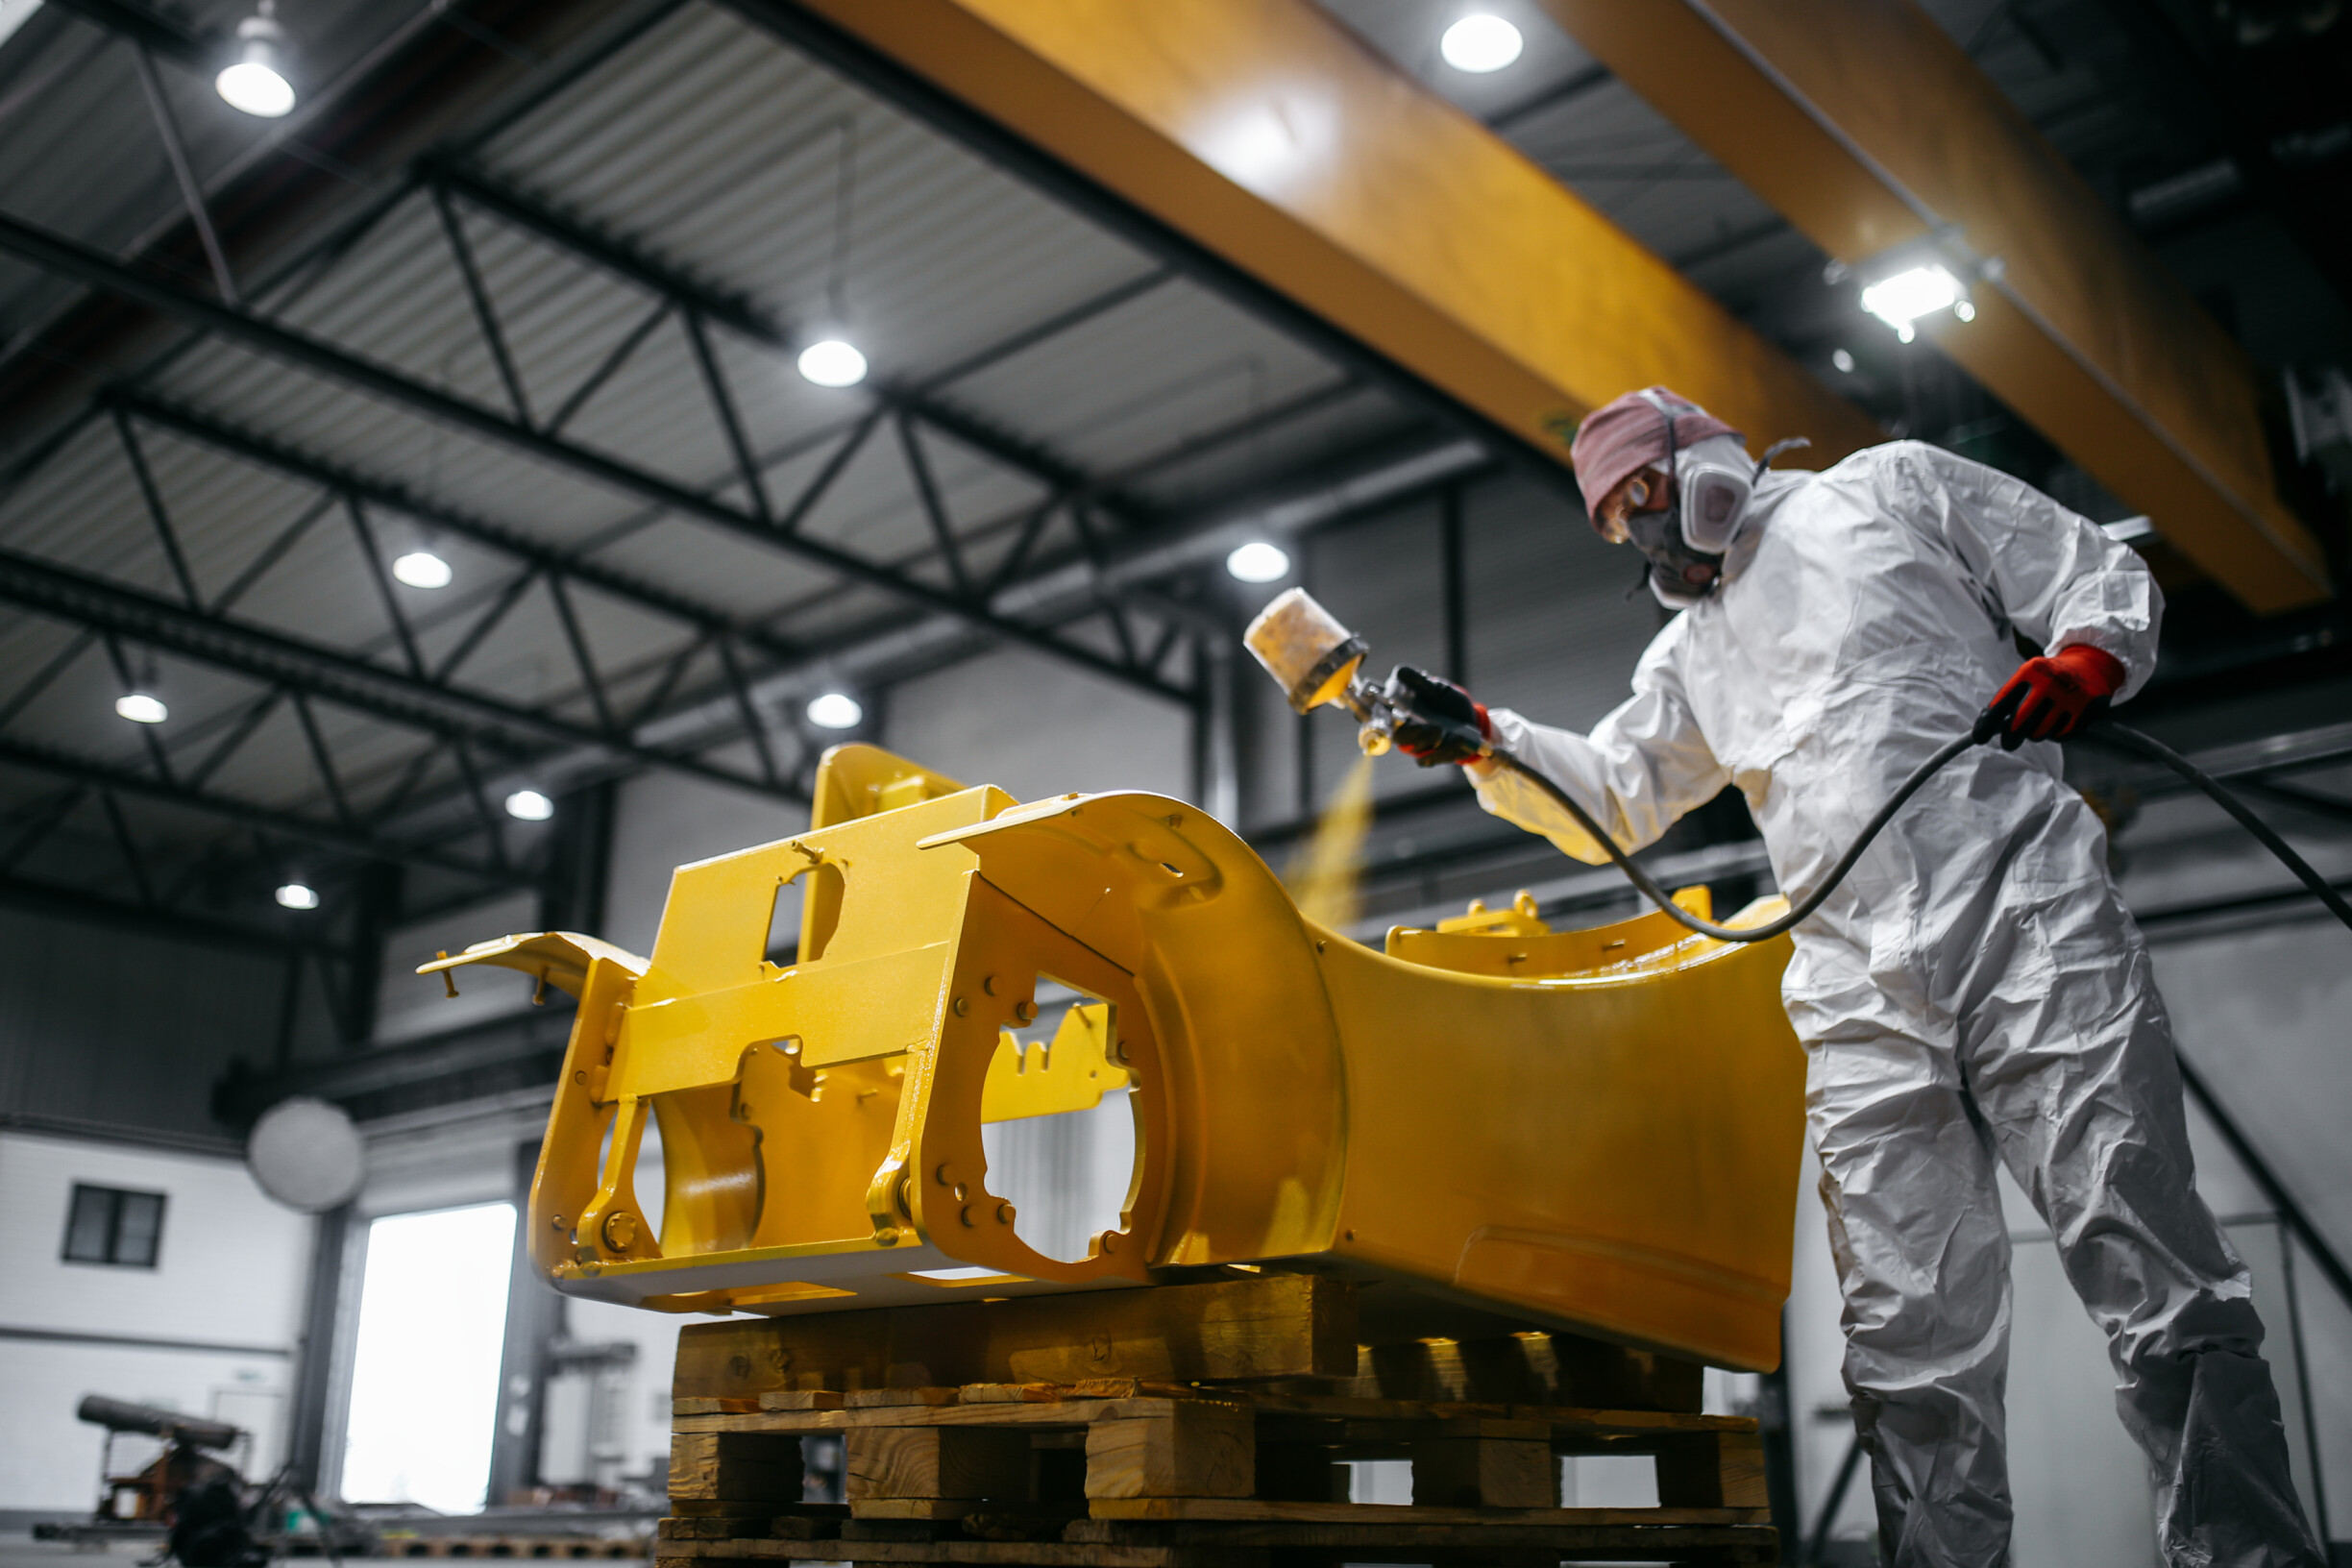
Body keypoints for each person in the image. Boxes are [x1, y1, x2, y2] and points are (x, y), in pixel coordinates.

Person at [1392, 386, 2323, 1568]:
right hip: (1856, 992)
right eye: (1619, 521)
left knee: (2164, 1283)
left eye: (1644, 492)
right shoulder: (1689, 652)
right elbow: (1617, 793)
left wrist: (2090, 653)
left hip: (2025, 920)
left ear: (1703, 457)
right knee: (1909, 1351)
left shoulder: (1889, 488)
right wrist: (1488, 736)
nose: (1645, 530)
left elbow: (2082, 564)